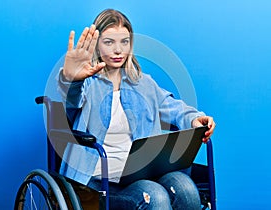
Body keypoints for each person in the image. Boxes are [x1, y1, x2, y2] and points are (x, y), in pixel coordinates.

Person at [57, 9, 215, 210]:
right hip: (98, 178)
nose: (118, 50)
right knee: (156, 197)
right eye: (109, 42)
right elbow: (71, 100)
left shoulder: (143, 83)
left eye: (124, 42)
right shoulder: (87, 84)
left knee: (186, 189)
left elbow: (174, 108)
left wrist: (195, 119)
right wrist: (71, 79)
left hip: (141, 172)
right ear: (97, 45)